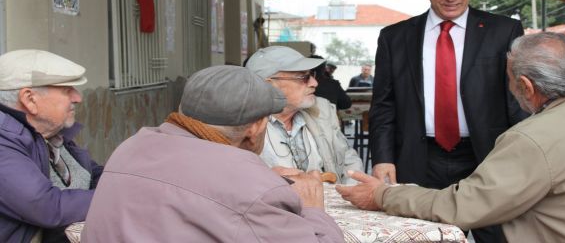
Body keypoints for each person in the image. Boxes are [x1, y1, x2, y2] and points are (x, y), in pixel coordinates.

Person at [338, 32, 565, 242]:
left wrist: (382, 195)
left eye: (510, 80)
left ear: (526, 86)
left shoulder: (534, 138)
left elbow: (462, 207)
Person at [369, 0, 528, 242]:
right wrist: (382, 157)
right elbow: (383, 105)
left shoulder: (503, 31)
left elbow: (518, 101)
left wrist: (522, 157)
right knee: (419, 235)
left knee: (496, 237)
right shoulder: (395, 37)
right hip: (419, 157)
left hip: (487, 157)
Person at [82, 66, 343, 242]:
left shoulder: (130, 147)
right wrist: (312, 208)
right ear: (255, 127)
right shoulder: (250, 185)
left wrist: (260, 181)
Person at [0, 49, 103, 243]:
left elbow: (93, 172)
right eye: (67, 90)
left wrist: (126, 182)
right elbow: (46, 207)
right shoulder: (4, 143)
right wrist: (117, 196)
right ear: (30, 99)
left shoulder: (47, 133)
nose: (78, 98)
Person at [246, 46, 362, 184]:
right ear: (269, 85)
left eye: (312, 75)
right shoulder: (243, 129)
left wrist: (347, 194)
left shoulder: (322, 111)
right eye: (303, 77)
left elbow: (349, 160)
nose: (314, 83)